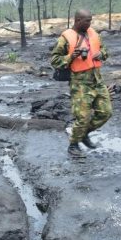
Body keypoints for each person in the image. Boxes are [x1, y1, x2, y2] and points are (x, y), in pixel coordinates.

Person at [50, 9, 112, 157]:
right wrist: (71, 56)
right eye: (87, 21)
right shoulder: (65, 38)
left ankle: (83, 134)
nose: (90, 23)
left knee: (106, 112)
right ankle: (73, 145)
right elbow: (54, 60)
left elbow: (105, 50)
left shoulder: (93, 33)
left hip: (97, 80)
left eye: (90, 20)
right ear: (77, 20)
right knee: (82, 117)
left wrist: (101, 54)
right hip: (79, 83)